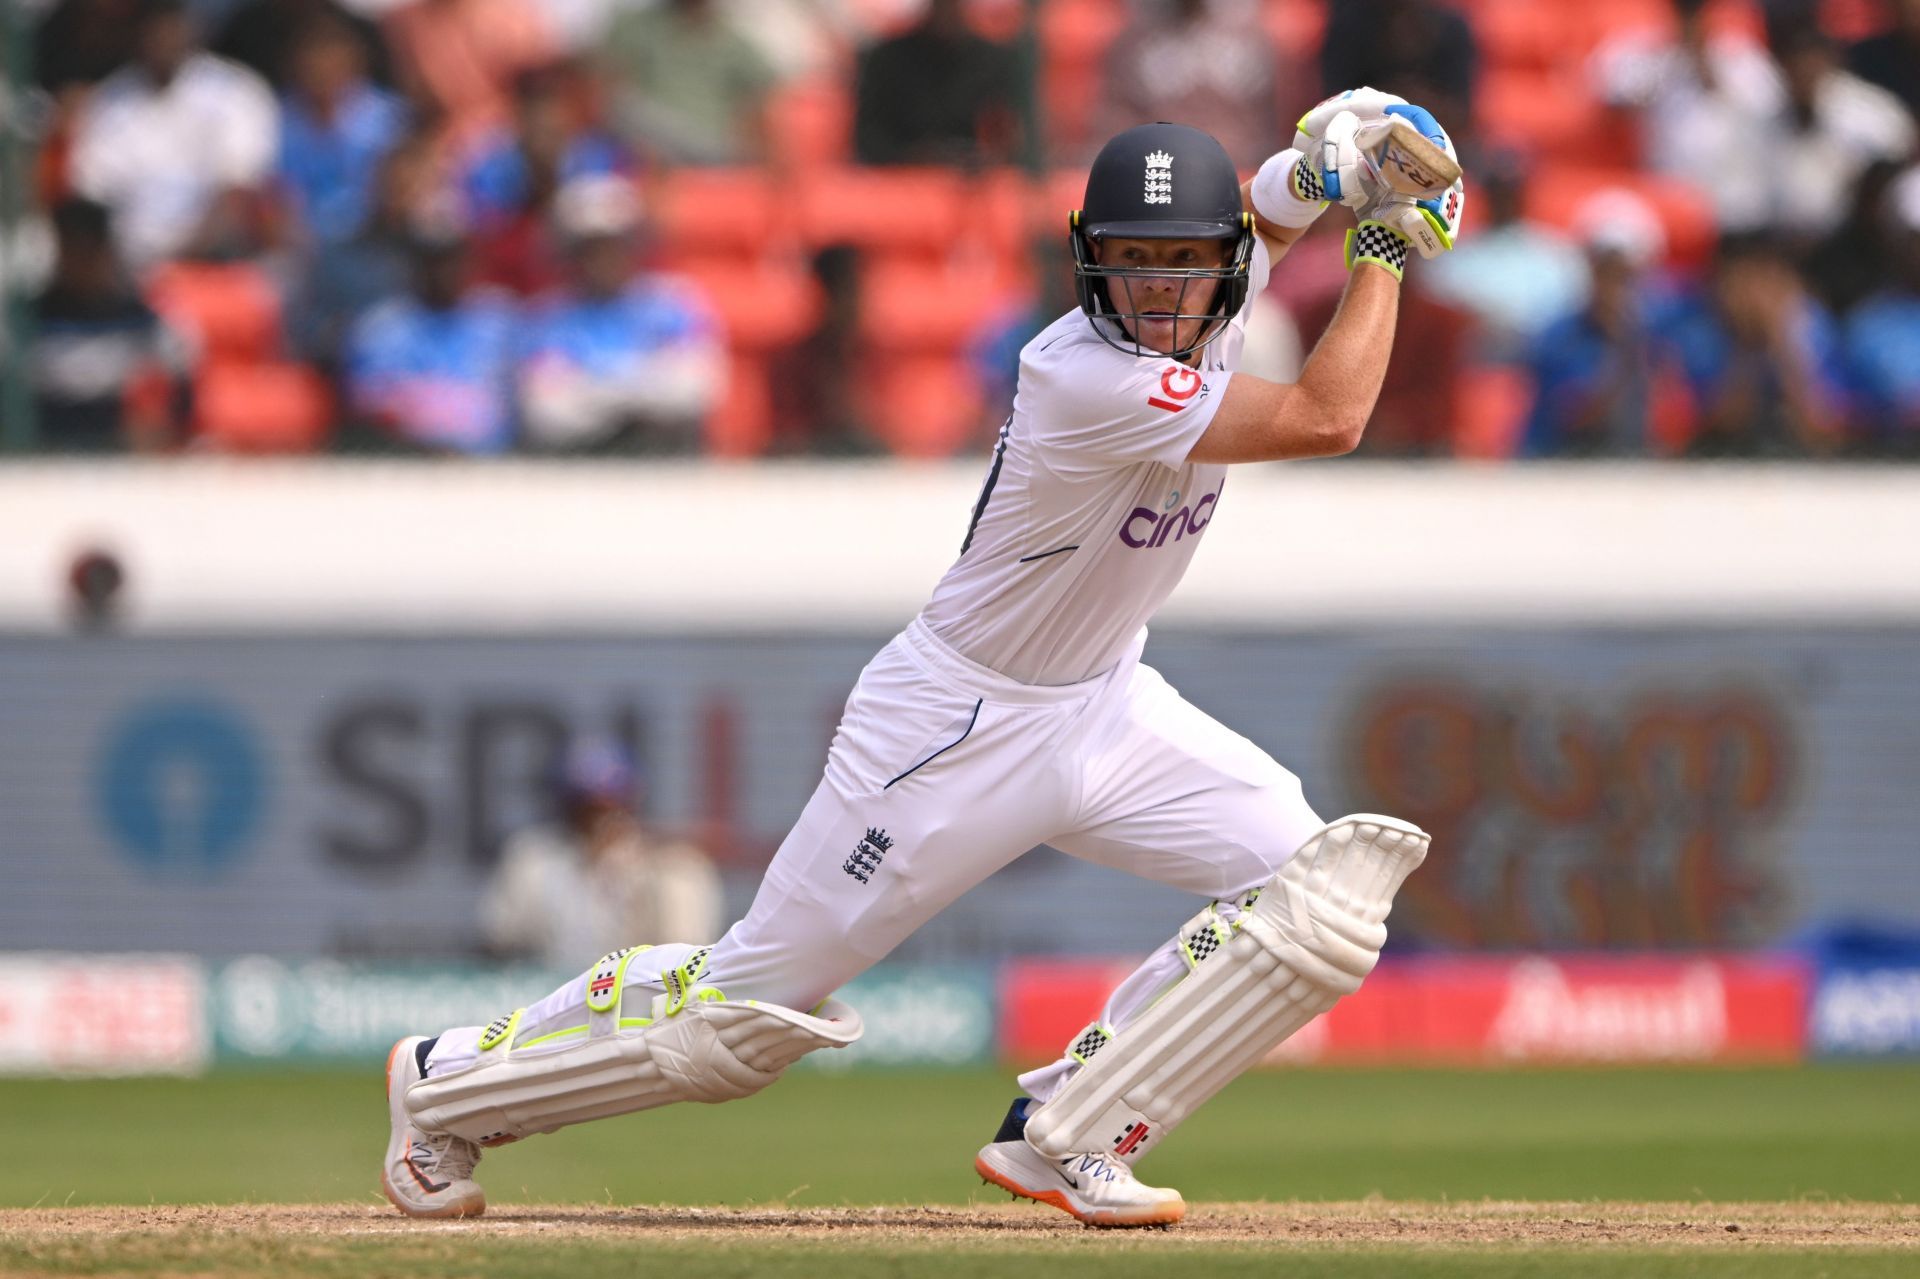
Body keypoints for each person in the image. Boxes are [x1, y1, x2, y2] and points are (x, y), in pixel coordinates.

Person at [380, 93, 1461, 1228]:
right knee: (744, 1017)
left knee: (1320, 894)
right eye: (1130, 264)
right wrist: (1383, 237)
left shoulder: (1208, 299)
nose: (1155, 288)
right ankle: (447, 1085)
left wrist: (1320, 170)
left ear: (1220, 271)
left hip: (1101, 703)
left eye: (1180, 265)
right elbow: (1327, 417)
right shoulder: (1086, 375)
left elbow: (1251, 228)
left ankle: (1075, 1132)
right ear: (1091, 269)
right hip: (952, 726)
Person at [515, 175, 724, 453]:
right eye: (591, 247)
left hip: (666, 460)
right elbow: (548, 411)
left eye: (615, 243)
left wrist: (595, 393)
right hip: (582, 465)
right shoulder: (548, 319)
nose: (604, 257)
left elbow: (696, 389)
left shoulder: (675, 303)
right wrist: (642, 391)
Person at [69, 0, 279, 271]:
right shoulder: (107, 102)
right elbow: (93, 196)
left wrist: (180, 261)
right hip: (127, 269)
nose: (162, 39)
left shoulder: (236, 92)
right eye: (153, 29)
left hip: (215, 262)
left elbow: (239, 192)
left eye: (171, 27)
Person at [481, 740, 724, 971]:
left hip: (641, 999)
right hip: (549, 997)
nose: (597, 819)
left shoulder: (671, 867)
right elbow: (499, 943)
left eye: (609, 806)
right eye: (583, 807)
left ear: (630, 802)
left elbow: (685, 954)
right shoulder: (533, 859)